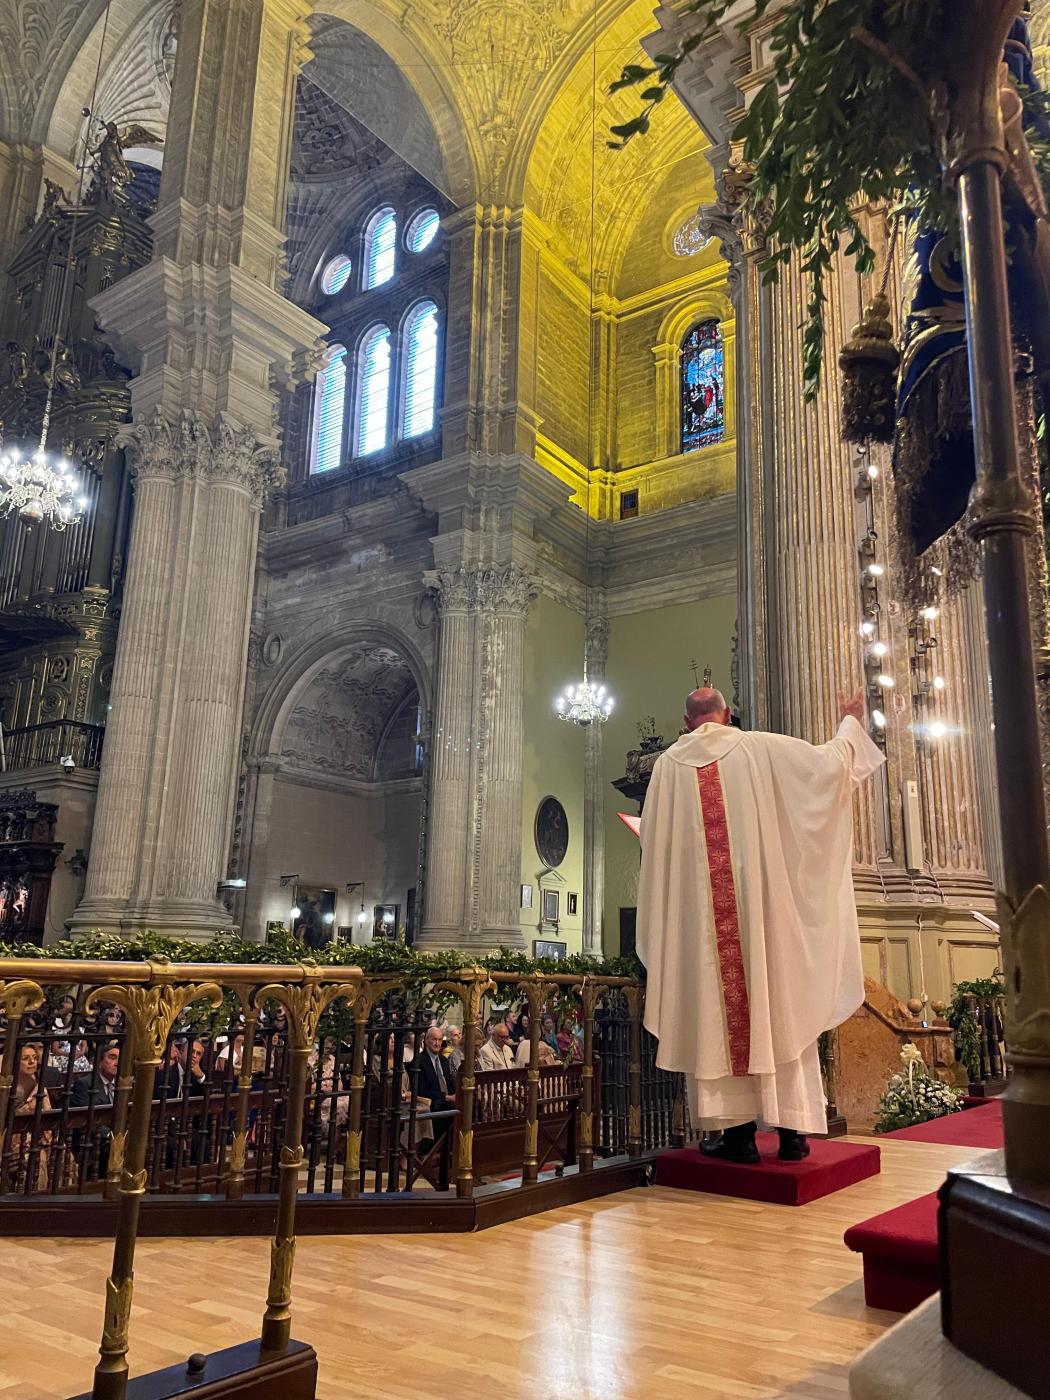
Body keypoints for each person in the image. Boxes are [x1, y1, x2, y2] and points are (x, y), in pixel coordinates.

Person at [637, 685, 884, 1163]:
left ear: (687, 722)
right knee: (779, 1010)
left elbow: (655, 848)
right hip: (762, 924)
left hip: (704, 934)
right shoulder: (760, 747)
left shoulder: (666, 768)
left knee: (715, 1016)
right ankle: (793, 1133)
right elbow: (826, 770)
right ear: (727, 714)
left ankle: (738, 1138)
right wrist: (850, 724)